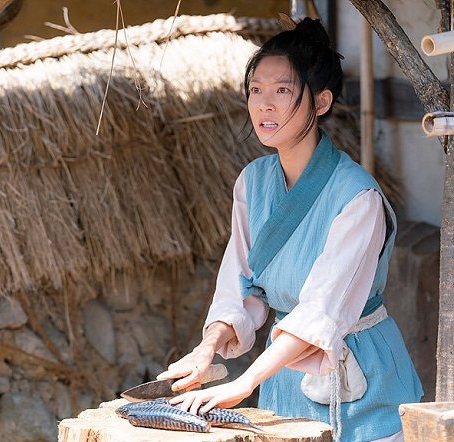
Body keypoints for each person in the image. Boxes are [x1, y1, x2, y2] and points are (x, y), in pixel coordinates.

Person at [156, 17, 423, 442]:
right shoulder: (252, 182)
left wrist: (244, 383)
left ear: (320, 103)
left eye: (282, 91)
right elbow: (242, 286)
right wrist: (207, 348)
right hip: (282, 376)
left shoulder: (357, 197)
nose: (264, 104)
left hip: (357, 377)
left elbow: (320, 313)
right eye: (256, 90)